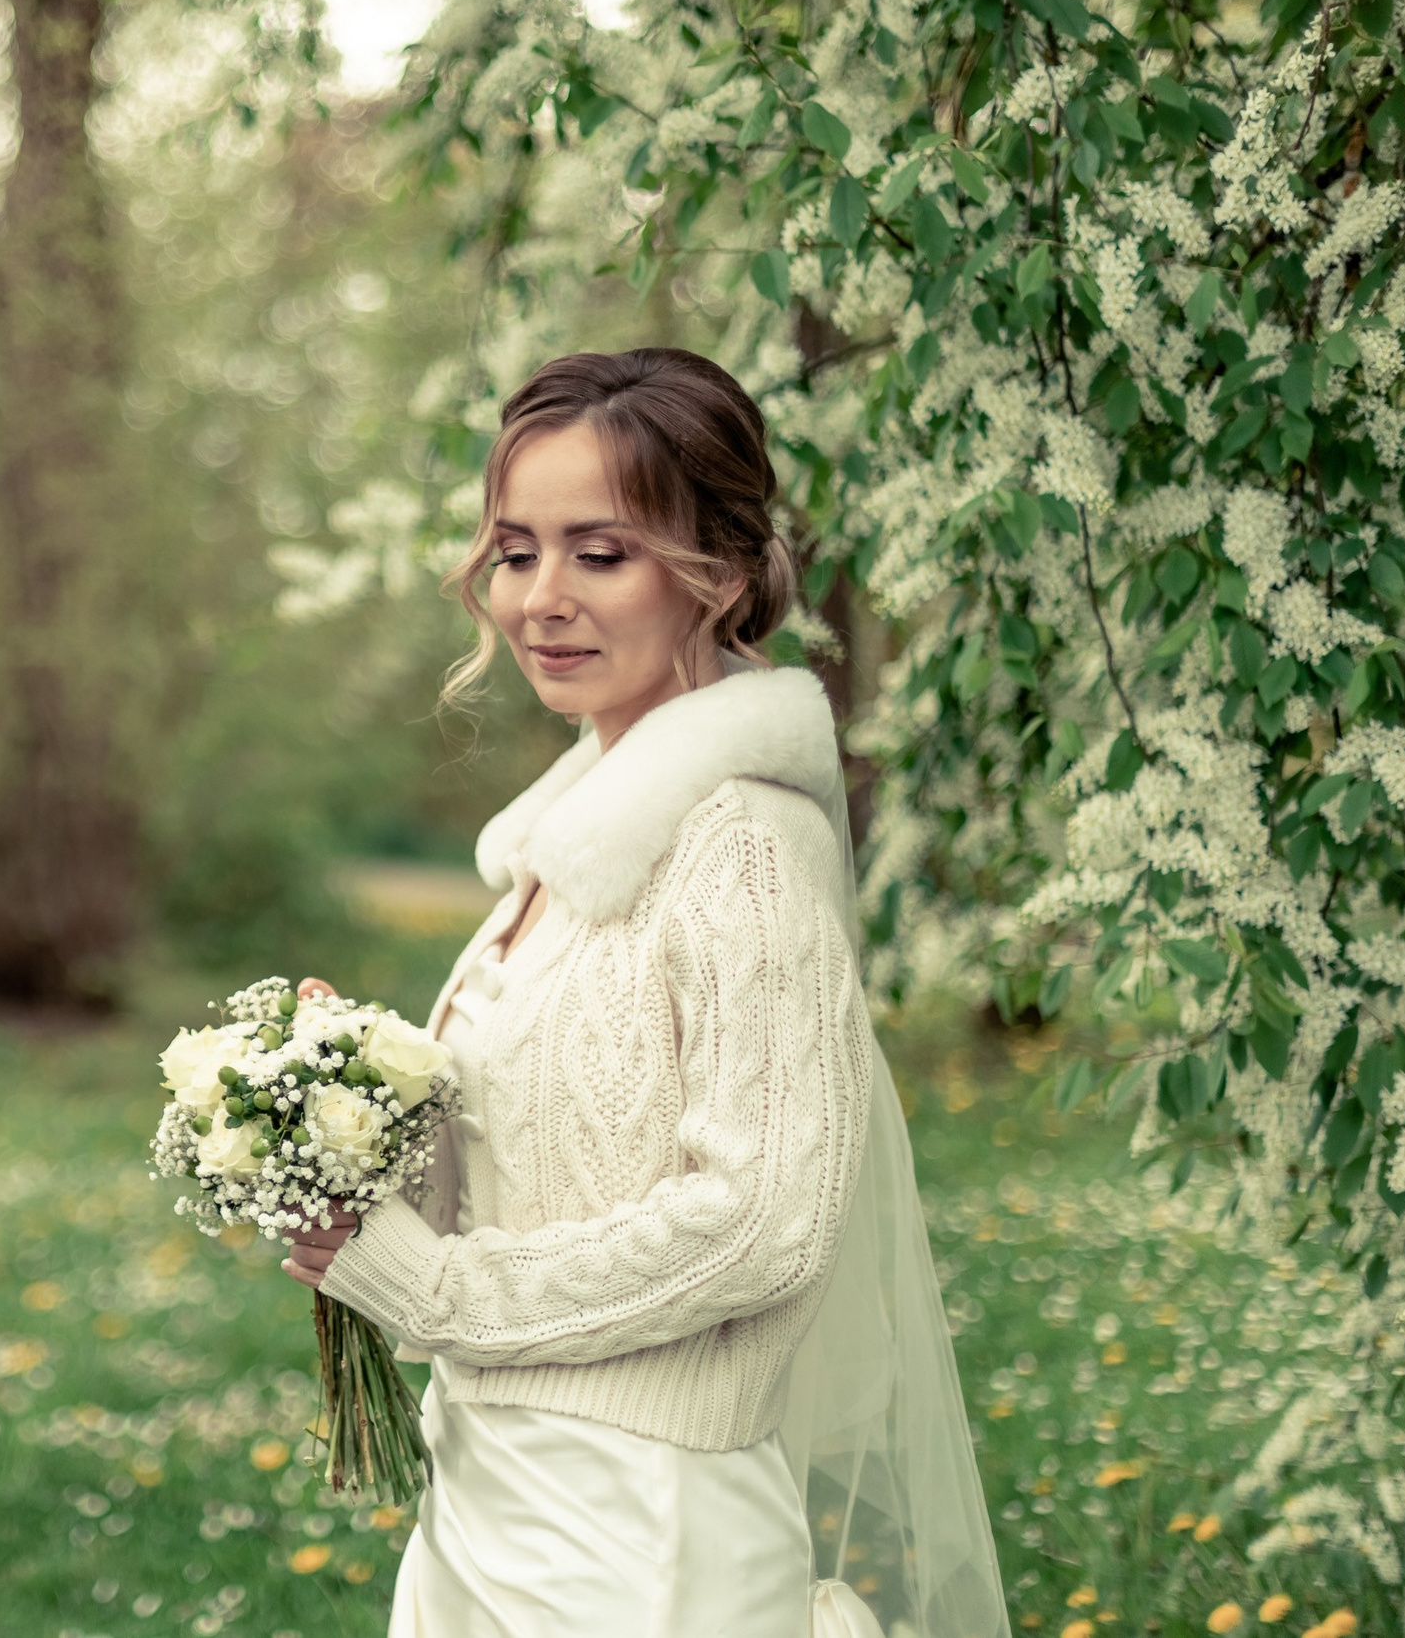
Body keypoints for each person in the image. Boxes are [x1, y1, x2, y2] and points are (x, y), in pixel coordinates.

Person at [281, 350, 1008, 1638]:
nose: (539, 600)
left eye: (598, 553)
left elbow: (760, 1223)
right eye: (516, 552)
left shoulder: (738, 849)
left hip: (645, 1534)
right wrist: (345, 1128)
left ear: (716, 576)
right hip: (488, 1496)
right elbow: (532, 1178)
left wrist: (434, 1294)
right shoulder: (554, 856)